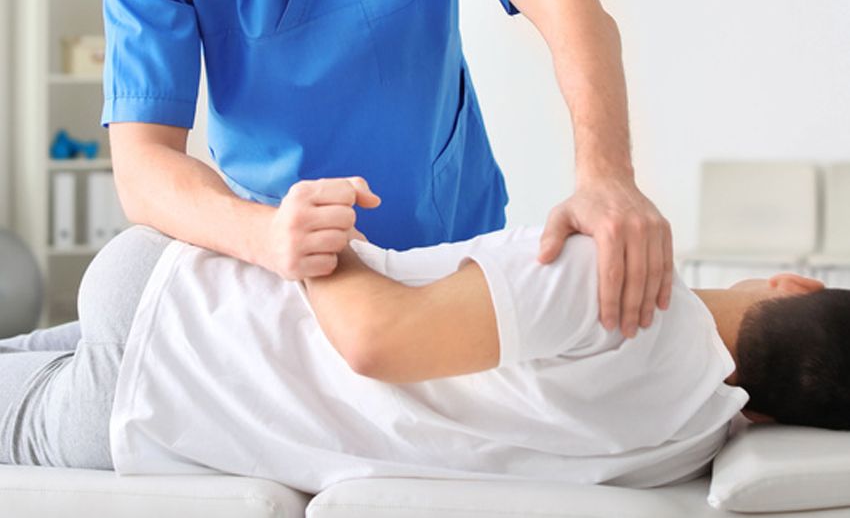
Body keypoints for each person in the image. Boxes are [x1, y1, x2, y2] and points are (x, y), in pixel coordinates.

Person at [1, 218, 848, 493]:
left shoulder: (630, 287)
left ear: (794, 287)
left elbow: (377, 338)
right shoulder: (685, 445)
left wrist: (306, 223)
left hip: (188, 326)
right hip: (169, 394)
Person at [103, 0, 673, 338]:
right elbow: (142, 164)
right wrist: (266, 234)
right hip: (286, 268)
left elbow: (570, 7)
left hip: (453, 246)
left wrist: (607, 176)